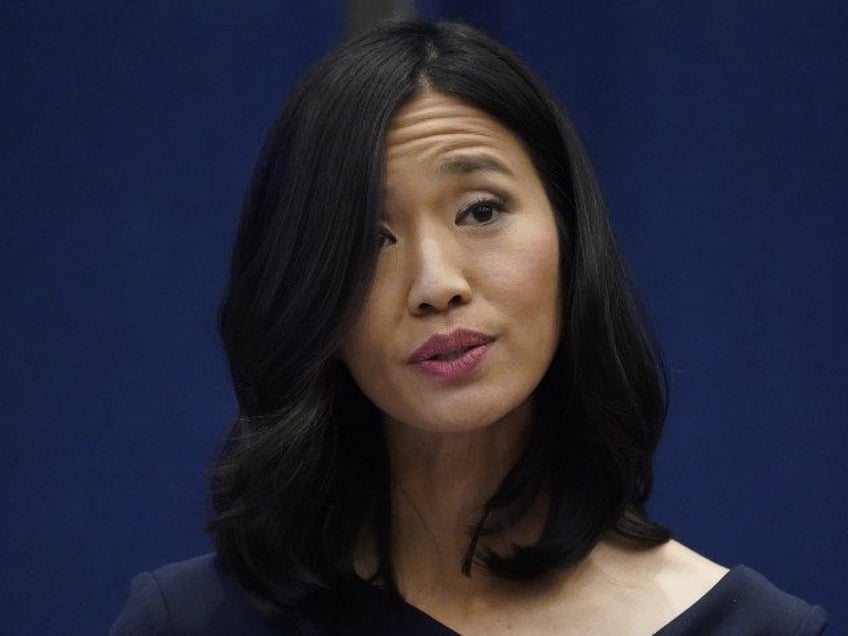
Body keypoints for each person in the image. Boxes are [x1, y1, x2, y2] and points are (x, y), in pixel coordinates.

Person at [111, 18, 828, 636]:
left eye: (481, 211)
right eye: (368, 240)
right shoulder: (195, 621)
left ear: (569, 233)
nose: (436, 285)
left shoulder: (749, 627)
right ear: (309, 292)